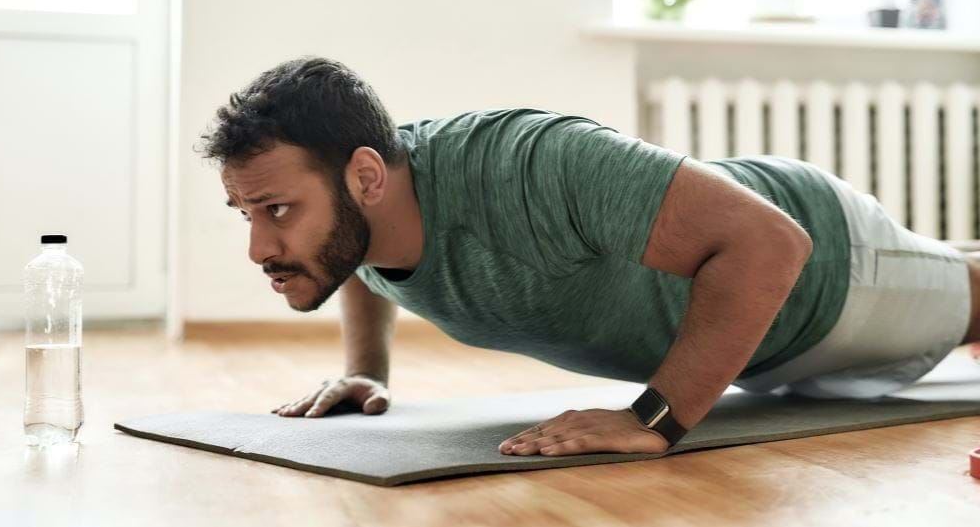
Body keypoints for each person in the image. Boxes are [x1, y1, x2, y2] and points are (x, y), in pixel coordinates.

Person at [197, 56, 980, 458]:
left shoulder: (530, 165)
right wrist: (369, 370)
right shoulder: (366, 204)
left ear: (365, 175)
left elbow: (771, 241)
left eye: (276, 211)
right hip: (755, 343)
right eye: (246, 213)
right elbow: (358, 258)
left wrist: (654, 417)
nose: (261, 247)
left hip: (827, 272)